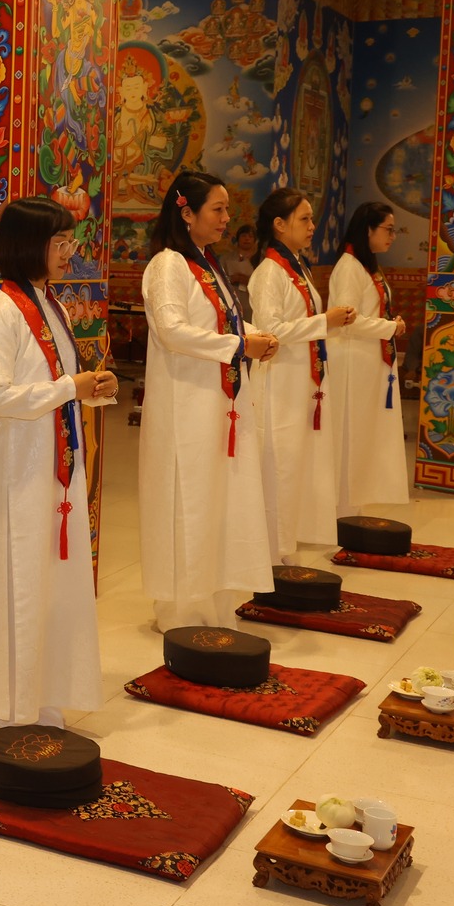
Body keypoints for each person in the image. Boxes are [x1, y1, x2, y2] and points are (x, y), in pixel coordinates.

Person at [0, 197, 114, 730]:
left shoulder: (51, 305)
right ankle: (6, 704)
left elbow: (56, 384)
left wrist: (91, 389)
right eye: (60, 242)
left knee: (47, 583)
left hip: (53, 464)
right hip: (16, 472)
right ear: (29, 245)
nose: (70, 252)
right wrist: (71, 387)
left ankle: (41, 690)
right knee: (17, 581)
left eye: (71, 241)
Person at [139, 170, 279, 630]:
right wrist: (240, 346)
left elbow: (223, 324)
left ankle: (216, 603)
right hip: (185, 405)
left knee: (219, 498)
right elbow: (171, 330)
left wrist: (256, 336)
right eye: (217, 209)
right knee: (190, 500)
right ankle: (182, 611)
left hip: (220, 403)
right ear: (187, 213)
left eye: (226, 210)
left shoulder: (206, 264)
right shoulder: (168, 265)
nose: (225, 218)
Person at [249, 189, 352, 560]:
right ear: (279, 224)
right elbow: (269, 330)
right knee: (280, 463)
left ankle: (285, 543)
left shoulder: (296, 268)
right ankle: (269, 550)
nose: (312, 226)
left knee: (296, 463)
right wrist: (325, 321)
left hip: (302, 381)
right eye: (304, 219)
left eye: (312, 218)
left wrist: (327, 322)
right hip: (280, 381)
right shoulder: (268, 273)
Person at [329, 202, 410, 514]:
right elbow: (346, 319)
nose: (392, 236)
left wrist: (388, 324)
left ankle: (353, 508)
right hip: (351, 362)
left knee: (363, 436)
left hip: (367, 360)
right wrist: (389, 327)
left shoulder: (365, 265)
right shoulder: (349, 266)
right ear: (368, 230)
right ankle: (342, 511)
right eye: (388, 229)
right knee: (351, 435)